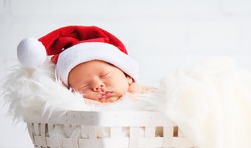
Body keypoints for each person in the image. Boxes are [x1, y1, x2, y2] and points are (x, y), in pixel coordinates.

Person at [16, 25, 152, 104]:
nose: (97, 86)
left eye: (105, 75)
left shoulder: (139, 92)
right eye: (85, 86)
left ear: (127, 75)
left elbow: (166, 99)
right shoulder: (80, 107)